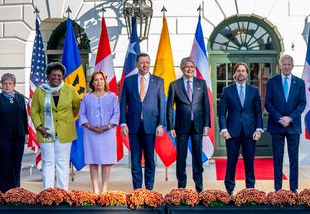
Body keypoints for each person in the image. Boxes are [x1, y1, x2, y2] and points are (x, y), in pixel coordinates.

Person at [30, 62, 80, 190]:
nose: (56, 77)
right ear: (48, 76)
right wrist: (39, 126)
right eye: (53, 75)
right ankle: (48, 192)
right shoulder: (40, 91)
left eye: (59, 75)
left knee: (62, 163)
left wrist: (66, 120)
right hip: (45, 132)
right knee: (48, 162)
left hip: (65, 132)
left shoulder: (70, 90)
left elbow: (76, 108)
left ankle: (62, 193)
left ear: (62, 76)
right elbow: (34, 111)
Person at [119, 53, 165, 190]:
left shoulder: (158, 81)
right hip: (133, 126)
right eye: (142, 62)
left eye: (147, 62)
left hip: (151, 126)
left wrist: (161, 124)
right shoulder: (129, 81)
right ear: (137, 64)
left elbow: (161, 103)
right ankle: (137, 190)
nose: (145, 65)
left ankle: (149, 189)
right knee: (135, 160)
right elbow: (122, 103)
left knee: (150, 160)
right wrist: (123, 123)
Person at [218, 62, 263, 195]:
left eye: (243, 71)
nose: (241, 73)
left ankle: (250, 188)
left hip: (250, 132)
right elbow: (221, 113)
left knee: (249, 162)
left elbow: (258, 113)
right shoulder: (227, 90)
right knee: (231, 161)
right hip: (232, 133)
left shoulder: (254, 91)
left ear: (247, 74)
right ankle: (229, 189)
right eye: (238, 71)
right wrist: (224, 130)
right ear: (234, 74)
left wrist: (259, 129)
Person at [167, 57, 211, 192]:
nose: (190, 69)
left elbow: (206, 106)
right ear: (182, 69)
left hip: (198, 126)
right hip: (181, 126)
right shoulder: (174, 85)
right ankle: (181, 186)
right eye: (187, 66)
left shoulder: (201, 83)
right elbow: (169, 107)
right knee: (181, 157)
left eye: (192, 66)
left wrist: (206, 125)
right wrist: (171, 126)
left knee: (197, 156)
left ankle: (199, 185)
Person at [265, 54, 306, 193]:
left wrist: (290, 118)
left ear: (292, 65)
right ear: (280, 65)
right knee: (278, 158)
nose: (286, 67)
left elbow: (302, 103)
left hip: (293, 126)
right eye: (284, 64)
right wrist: (280, 118)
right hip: (277, 126)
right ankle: (278, 188)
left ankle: (294, 188)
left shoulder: (300, 83)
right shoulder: (272, 82)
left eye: (289, 64)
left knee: (294, 159)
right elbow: (268, 103)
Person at [79, 71, 119, 193]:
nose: (99, 82)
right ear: (92, 83)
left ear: (104, 81)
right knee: (93, 160)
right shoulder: (86, 97)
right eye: (96, 80)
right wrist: (90, 127)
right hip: (91, 133)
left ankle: (104, 187)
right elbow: (82, 114)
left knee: (106, 161)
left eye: (101, 79)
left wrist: (106, 127)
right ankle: (95, 188)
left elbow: (116, 113)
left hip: (108, 133)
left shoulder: (112, 97)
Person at [0, 73, 28, 193]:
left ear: (14, 85)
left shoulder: (20, 98)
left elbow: (24, 116)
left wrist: (26, 133)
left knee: (16, 164)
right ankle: (4, 192)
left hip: (19, 137)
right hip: (3, 138)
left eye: (10, 83)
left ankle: (15, 191)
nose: (7, 86)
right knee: (4, 164)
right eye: (5, 83)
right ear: (2, 85)